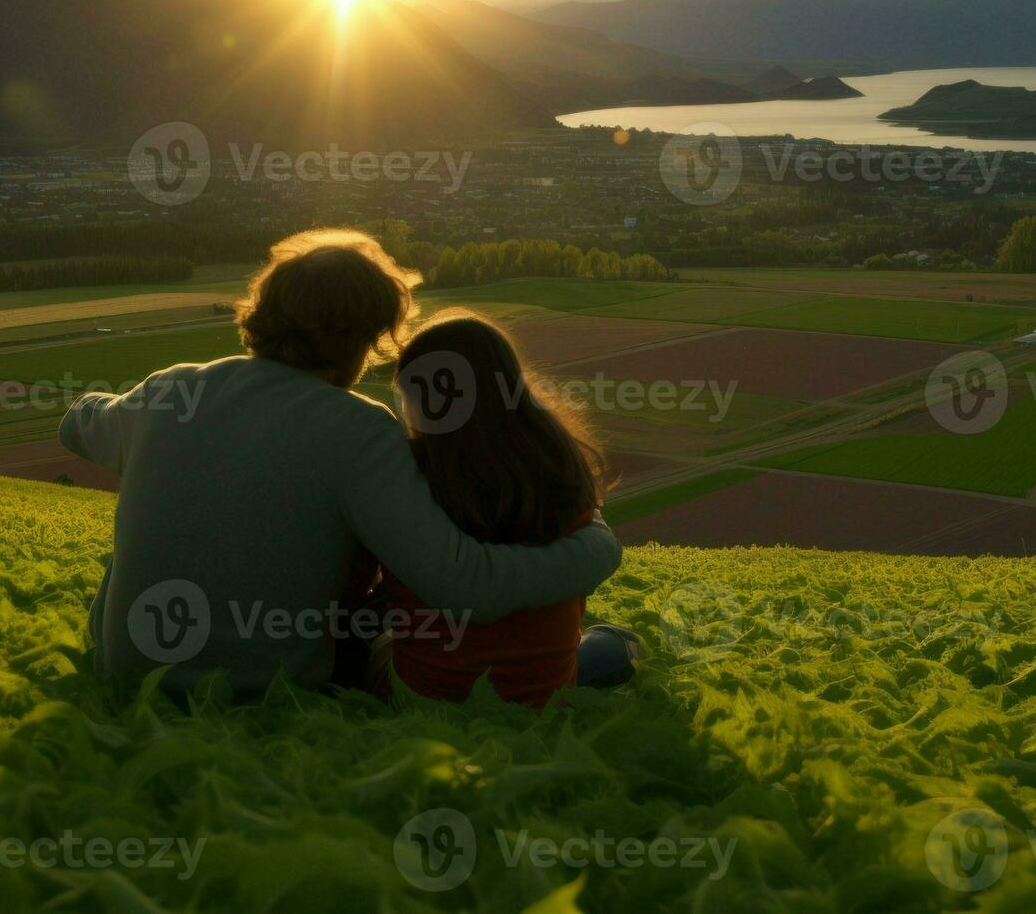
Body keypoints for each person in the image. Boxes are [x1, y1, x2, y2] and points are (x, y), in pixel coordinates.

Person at [59, 229, 622, 697]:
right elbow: (465, 586)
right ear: (368, 336)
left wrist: (116, 409)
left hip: (129, 676)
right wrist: (595, 548)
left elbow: (77, 424)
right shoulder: (361, 429)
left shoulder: (170, 390)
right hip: (265, 692)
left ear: (260, 314)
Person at [368, 313, 641, 709]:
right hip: (539, 694)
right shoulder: (555, 459)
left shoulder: (403, 470)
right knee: (615, 645)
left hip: (427, 696)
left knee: (374, 635)